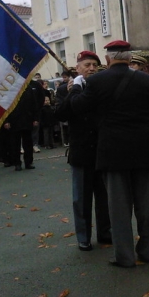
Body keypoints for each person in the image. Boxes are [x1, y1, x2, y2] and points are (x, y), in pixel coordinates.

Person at [70, 40, 149, 268]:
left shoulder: (97, 81)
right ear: (129, 58)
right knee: (148, 206)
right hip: (143, 148)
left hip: (112, 151)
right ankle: (148, 251)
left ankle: (125, 256)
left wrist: (76, 87)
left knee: (118, 208)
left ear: (108, 59)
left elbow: (78, 107)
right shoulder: (146, 80)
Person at [55, 50, 112, 251]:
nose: (91, 69)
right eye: (87, 65)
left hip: (101, 148)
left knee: (104, 197)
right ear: (77, 68)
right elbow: (60, 114)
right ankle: (83, 237)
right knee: (81, 198)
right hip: (81, 150)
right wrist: (72, 92)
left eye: (94, 65)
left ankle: (106, 233)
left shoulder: (103, 86)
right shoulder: (65, 89)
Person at [3, 85, 39, 171]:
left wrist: (35, 118)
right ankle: (17, 163)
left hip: (27, 119)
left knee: (28, 143)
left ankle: (28, 162)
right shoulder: (9, 89)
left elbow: (34, 104)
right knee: (15, 144)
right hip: (14, 120)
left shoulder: (28, 88)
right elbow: (5, 106)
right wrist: (6, 120)